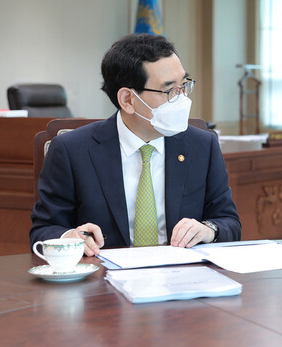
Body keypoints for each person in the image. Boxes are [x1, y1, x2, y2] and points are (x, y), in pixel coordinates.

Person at [30, 34, 241, 256]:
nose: (182, 99)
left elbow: (229, 222)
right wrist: (69, 237)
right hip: (103, 280)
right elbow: (44, 230)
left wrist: (208, 230)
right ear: (128, 100)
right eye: (169, 90)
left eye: (184, 85)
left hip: (182, 277)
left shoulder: (202, 146)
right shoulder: (71, 150)